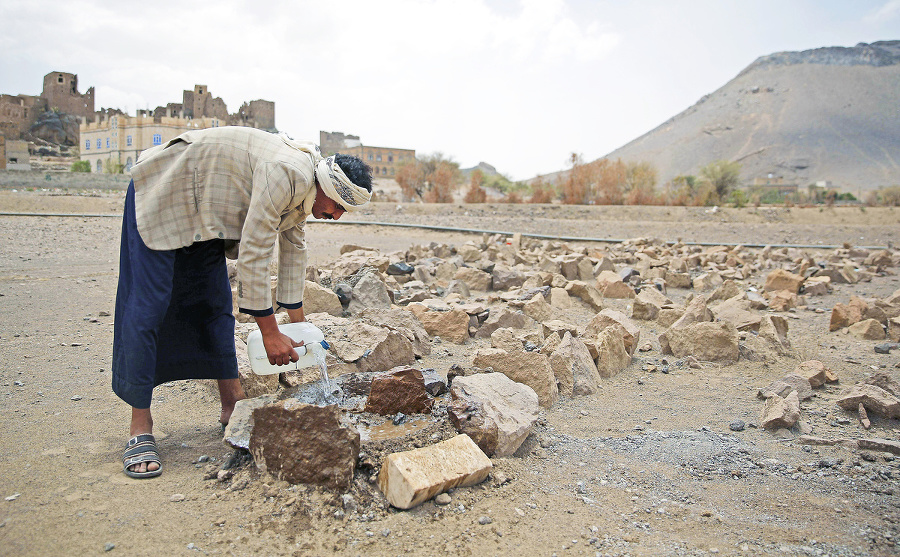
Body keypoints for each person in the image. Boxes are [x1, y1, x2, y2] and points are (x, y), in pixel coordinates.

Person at [113, 126, 373, 478]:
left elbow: (294, 250)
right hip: (168, 190)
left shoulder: (308, 187)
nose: (337, 216)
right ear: (326, 187)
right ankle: (140, 427)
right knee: (150, 306)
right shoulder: (289, 173)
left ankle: (232, 407)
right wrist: (269, 333)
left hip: (208, 209)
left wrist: (297, 327)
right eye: (338, 207)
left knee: (215, 306)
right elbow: (254, 250)